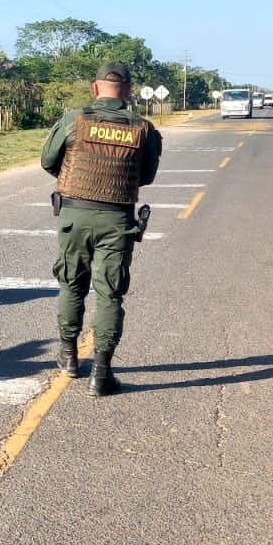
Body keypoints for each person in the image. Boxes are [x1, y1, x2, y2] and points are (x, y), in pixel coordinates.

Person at [39, 60, 162, 396]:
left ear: (95, 89)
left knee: (72, 286)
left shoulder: (74, 120)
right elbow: (147, 176)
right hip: (117, 218)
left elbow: (49, 162)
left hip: (74, 214)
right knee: (110, 294)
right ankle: (101, 375)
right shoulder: (144, 128)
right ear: (129, 91)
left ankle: (68, 358)